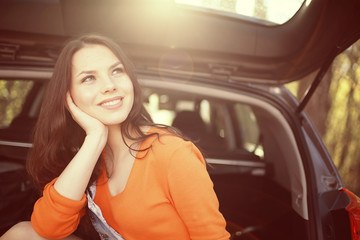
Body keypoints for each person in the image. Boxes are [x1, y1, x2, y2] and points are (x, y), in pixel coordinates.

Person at [0, 34, 230, 240]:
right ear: (69, 97)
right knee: (22, 234)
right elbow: (48, 227)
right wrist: (95, 138)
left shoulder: (173, 153)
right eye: (89, 78)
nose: (109, 85)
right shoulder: (91, 156)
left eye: (117, 71)